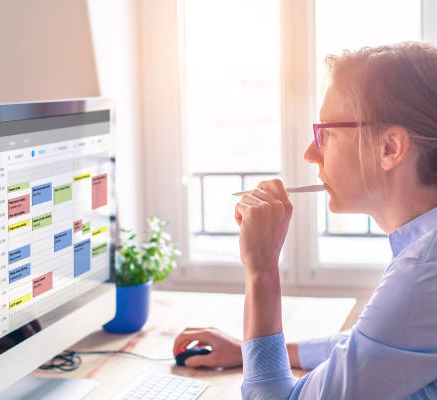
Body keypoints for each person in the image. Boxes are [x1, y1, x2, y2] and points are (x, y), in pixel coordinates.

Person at [173, 42, 437, 399]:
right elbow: (373, 347)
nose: (311, 153)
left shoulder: (424, 270)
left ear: (390, 148)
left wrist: (262, 269)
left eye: (326, 133)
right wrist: (252, 351)